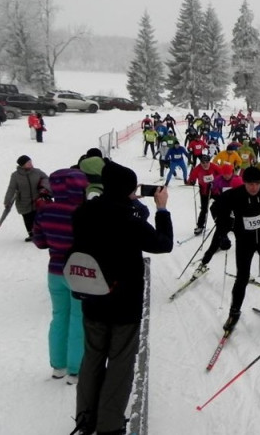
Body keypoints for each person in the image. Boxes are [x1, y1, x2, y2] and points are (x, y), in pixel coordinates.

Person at [71, 162, 173, 435]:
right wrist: (161, 209)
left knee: (92, 358)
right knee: (120, 363)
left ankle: (85, 418)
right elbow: (163, 244)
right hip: (124, 303)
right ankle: (109, 425)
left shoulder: (84, 212)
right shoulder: (129, 220)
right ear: (127, 189)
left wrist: (127, 203)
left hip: (92, 297)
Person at [212, 167, 260, 330]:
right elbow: (218, 210)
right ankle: (234, 313)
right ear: (244, 183)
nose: (253, 187)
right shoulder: (235, 194)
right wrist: (223, 234)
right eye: (249, 184)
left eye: (256, 184)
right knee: (242, 277)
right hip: (244, 240)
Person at [32, 168, 88, 384]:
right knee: (78, 318)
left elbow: (39, 242)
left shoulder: (45, 211)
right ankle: (75, 368)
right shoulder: (81, 212)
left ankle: (58, 366)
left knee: (58, 317)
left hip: (54, 271)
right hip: (78, 272)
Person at [2, 155, 50, 241]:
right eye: (28, 163)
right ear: (22, 165)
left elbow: (46, 179)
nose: (31, 164)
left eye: (31, 162)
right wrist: (7, 200)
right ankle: (32, 234)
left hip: (37, 200)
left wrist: (43, 188)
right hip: (23, 202)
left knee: (38, 217)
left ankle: (42, 233)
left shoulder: (37, 172)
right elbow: (11, 188)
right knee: (28, 219)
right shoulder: (15, 175)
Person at [187, 155, 220, 235]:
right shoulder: (197, 169)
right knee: (204, 209)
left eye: (207, 162)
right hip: (204, 192)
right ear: (200, 162)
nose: (205, 164)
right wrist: (191, 181)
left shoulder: (214, 166)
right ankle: (200, 226)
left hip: (215, 191)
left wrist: (217, 182)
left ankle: (222, 222)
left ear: (209, 162)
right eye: (203, 162)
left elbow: (222, 174)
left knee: (219, 207)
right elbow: (191, 178)